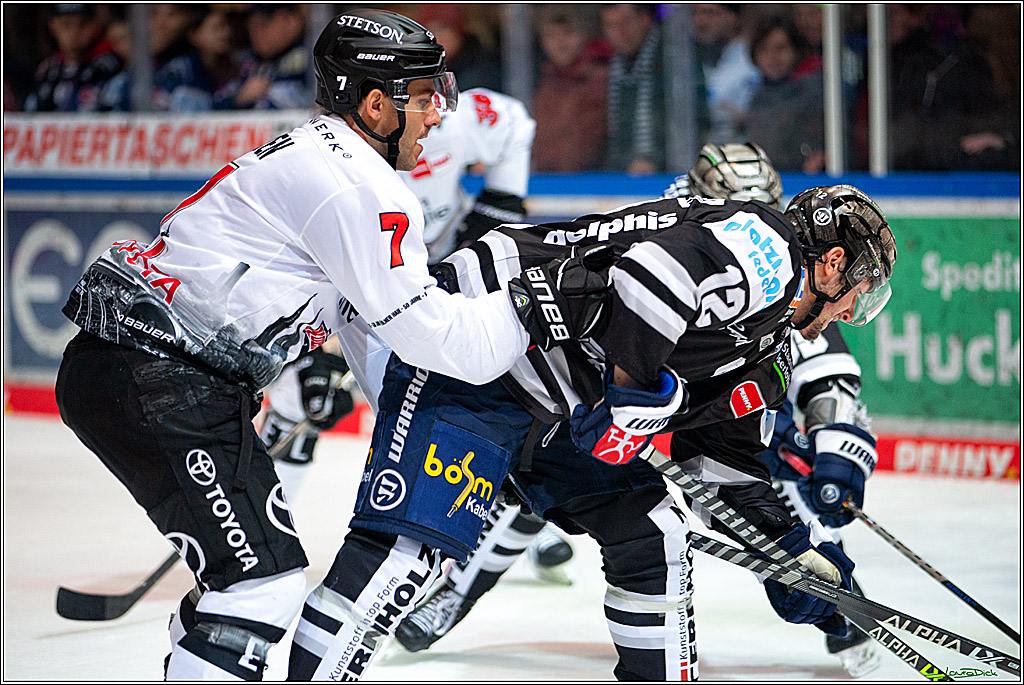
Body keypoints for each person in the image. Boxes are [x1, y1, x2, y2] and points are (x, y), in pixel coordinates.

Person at [54, 9, 600, 680]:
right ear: (376, 104)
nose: (439, 116)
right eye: (427, 98)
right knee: (259, 587)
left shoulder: (326, 155)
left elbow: (380, 341)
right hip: (159, 379)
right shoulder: (363, 189)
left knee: (246, 583)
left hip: (144, 373)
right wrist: (546, 308)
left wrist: (423, 423)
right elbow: (443, 340)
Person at [286, 178, 898, 679]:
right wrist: (631, 399)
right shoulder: (770, 249)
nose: (852, 313)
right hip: (478, 345)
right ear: (834, 263)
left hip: (553, 407)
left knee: (655, 531)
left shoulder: (768, 344)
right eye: (859, 293)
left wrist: (787, 553)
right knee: (405, 559)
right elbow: (652, 275)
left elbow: (725, 462)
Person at [258, 84, 575, 597]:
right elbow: (295, 270)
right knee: (312, 396)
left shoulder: (444, 119)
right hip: (357, 283)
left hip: (435, 272)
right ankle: (263, 544)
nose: (432, 117)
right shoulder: (314, 161)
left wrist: (498, 205)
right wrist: (316, 353)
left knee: (476, 396)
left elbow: (515, 123)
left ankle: (508, 522)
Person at [666, 142, 882, 676]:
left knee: (792, 537)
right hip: (626, 405)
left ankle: (841, 619)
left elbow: (813, 345)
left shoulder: (781, 270)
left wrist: (832, 434)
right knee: (646, 532)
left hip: (712, 422)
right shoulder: (676, 241)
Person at [531, 4, 611, 172]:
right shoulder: (540, 83)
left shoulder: (603, 79)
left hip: (596, 181)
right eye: (551, 35)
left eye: (568, 33)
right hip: (545, 183)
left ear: (584, 35)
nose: (560, 42)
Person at [743, 15, 825, 173]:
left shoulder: (815, 91)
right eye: (764, 49)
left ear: (795, 50)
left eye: (780, 48)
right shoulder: (756, 99)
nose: (772, 57)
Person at [600, 3, 666, 174]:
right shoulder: (609, 67)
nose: (619, 33)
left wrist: (654, 159)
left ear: (645, 19)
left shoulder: (671, 59)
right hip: (621, 176)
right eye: (611, 26)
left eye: (625, 23)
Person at [24, 3, 122, 112]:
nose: (74, 32)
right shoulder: (47, 70)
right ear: (53, 26)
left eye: (82, 24)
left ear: (94, 26)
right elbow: (30, 113)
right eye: (66, 25)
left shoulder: (110, 67)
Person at [692, 4, 761, 144]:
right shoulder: (690, 61)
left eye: (709, 13)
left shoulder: (751, 61)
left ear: (733, 17)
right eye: (695, 13)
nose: (700, 21)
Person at [231, 4, 308, 110]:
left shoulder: (313, 61)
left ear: (292, 22)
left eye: (264, 22)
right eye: (250, 24)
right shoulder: (243, 62)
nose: (256, 31)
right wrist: (238, 100)